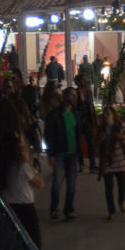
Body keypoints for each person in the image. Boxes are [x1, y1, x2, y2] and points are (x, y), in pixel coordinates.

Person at [0, 127, 45, 248]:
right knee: (34, 243)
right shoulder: (22, 166)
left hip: (7, 207)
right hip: (25, 208)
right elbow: (39, 184)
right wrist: (29, 161)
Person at [42, 89, 78, 222]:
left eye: (75, 96)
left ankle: (69, 209)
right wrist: (51, 154)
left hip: (73, 153)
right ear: (64, 96)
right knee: (57, 183)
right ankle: (54, 209)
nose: (73, 98)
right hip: (59, 153)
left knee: (72, 184)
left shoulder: (75, 113)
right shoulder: (55, 114)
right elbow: (48, 135)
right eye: (71, 95)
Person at [99, 105, 125, 219]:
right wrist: (100, 140)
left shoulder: (121, 126)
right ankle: (111, 210)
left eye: (108, 113)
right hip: (108, 162)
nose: (106, 116)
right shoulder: (102, 129)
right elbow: (95, 145)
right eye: (104, 114)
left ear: (113, 115)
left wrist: (121, 137)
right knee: (108, 188)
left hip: (121, 161)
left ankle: (121, 202)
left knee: (122, 187)